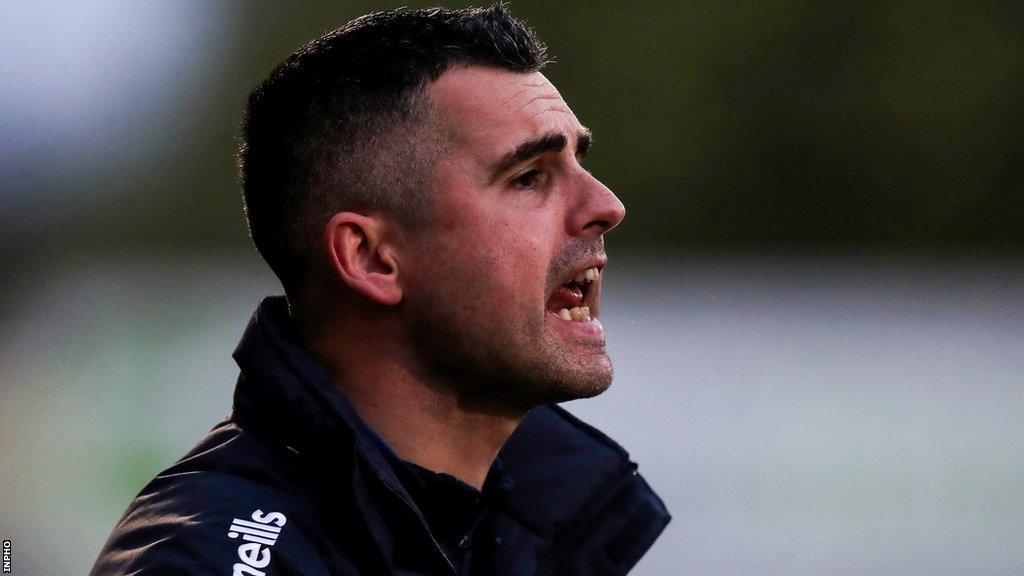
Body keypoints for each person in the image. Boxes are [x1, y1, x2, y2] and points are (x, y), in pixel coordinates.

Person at [90, 5, 669, 575]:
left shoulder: (521, 526)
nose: (606, 206)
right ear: (371, 259)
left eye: (579, 161)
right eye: (528, 178)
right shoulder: (210, 561)